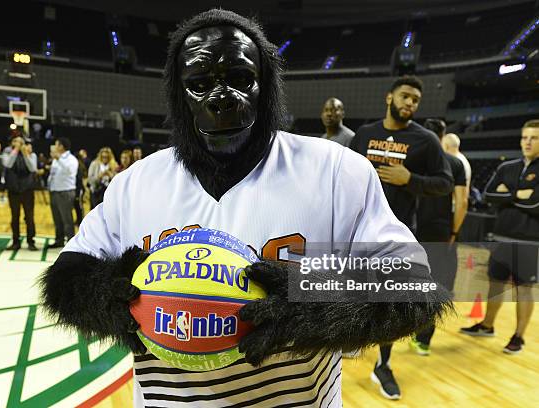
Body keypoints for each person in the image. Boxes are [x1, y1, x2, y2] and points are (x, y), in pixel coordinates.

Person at [40, 10, 450, 408]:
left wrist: (310, 297)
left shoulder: (336, 169)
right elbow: (67, 276)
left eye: (241, 79)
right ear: (177, 95)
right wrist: (106, 294)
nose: (222, 100)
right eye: (200, 83)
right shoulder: (135, 183)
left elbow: (414, 285)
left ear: (268, 88)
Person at [350, 76, 453, 399]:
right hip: (352, 230)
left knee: (389, 302)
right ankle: (347, 342)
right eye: (405, 96)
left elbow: (445, 183)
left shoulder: (425, 141)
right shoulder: (365, 135)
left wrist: (411, 179)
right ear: (389, 97)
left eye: (416, 100)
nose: (410, 103)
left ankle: (382, 365)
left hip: (393, 235)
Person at [460, 119, 539, 354]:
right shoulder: (507, 167)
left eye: (534, 138)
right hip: (501, 237)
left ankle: (518, 337)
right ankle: (487, 326)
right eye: (525, 137)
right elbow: (488, 195)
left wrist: (508, 195)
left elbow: (536, 203)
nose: (527, 142)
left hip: (530, 241)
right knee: (495, 284)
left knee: (523, 289)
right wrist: (519, 195)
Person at [410, 119, 468, 355]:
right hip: (440, 231)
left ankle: (388, 335)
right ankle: (423, 339)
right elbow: (462, 202)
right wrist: (454, 232)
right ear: (443, 137)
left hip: (411, 228)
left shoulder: (414, 161)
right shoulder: (455, 163)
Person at [2, 132, 38, 251]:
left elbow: (32, 168)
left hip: (27, 190)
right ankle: (15, 241)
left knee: (29, 217)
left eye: (20, 142)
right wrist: (15, 151)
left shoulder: (31, 154)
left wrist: (25, 153)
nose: (18, 144)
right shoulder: (7, 153)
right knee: (15, 217)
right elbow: (8, 164)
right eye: (15, 142)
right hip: (13, 190)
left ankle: (31, 241)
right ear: (11, 143)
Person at [46, 137, 78, 249]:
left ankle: (71, 244)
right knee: (57, 219)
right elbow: (53, 173)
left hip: (65, 192)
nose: (54, 147)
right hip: (54, 191)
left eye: (56, 144)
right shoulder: (56, 159)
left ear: (61, 146)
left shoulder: (71, 159)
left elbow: (70, 171)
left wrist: (59, 159)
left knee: (67, 220)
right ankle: (59, 240)